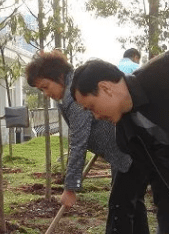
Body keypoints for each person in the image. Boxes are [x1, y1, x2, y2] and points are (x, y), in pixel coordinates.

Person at [71, 47, 169, 234]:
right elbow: (143, 189)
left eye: (92, 107)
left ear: (106, 88)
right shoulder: (127, 135)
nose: (95, 116)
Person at [25, 50, 149, 234]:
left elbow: (78, 140)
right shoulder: (72, 89)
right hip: (125, 152)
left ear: (59, 76)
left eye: (45, 86)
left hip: (129, 153)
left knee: (120, 207)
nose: (45, 93)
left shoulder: (75, 93)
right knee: (132, 204)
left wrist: (70, 186)